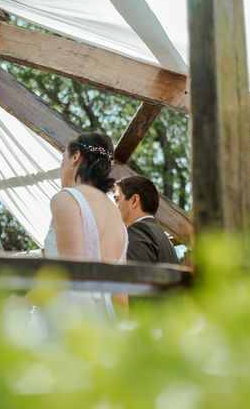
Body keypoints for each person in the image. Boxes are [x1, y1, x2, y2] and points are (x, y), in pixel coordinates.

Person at [43, 132, 128, 321]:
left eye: (62, 158)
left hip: (69, 322)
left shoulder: (66, 199)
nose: (61, 166)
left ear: (75, 157)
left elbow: (69, 276)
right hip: (105, 325)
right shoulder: (116, 215)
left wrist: (20, 303)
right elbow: (120, 296)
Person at [114, 176, 180, 265]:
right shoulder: (163, 238)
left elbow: (134, 277)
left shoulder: (139, 231)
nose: (114, 207)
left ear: (134, 200)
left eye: (117, 200)